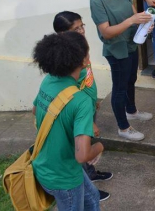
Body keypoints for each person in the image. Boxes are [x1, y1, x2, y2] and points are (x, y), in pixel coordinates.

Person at [32, 32, 103, 211]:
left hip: (47, 164)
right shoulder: (81, 101)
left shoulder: (49, 81)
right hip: (64, 178)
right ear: (84, 61)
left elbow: (35, 110)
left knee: (92, 198)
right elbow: (83, 155)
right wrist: (100, 147)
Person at [90, 0, 154, 141]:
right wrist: (131, 21)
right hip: (116, 50)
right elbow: (106, 32)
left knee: (131, 79)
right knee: (119, 87)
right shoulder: (96, 0)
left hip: (131, 43)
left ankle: (131, 111)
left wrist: (144, 23)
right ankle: (123, 128)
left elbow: (133, 12)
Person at [52, 11, 113, 202]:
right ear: (63, 34)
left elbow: (85, 78)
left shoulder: (80, 46)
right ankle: (88, 188)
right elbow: (71, 89)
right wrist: (87, 120)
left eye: (82, 26)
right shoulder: (66, 56)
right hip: (79, 111)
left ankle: (91, 172)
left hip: (88, 105)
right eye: (75, 29)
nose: (81, 31)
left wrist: (94, 100)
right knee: (80, 150)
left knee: (86, 148)